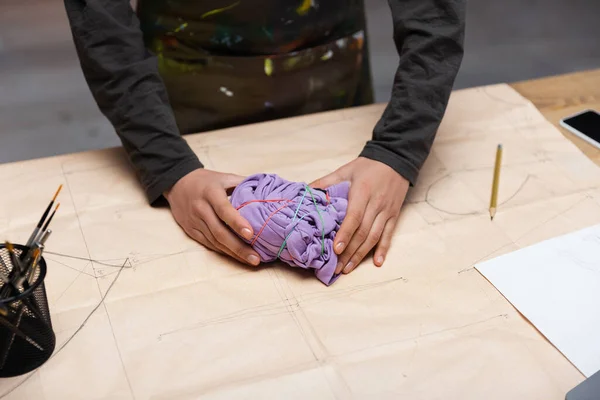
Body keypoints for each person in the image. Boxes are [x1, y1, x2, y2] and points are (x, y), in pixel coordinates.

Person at [63, 0, 465, 275]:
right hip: (182, 79)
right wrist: (167, 164)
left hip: (328, 67)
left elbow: (434, 12)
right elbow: (99, 19)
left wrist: (398, 146)